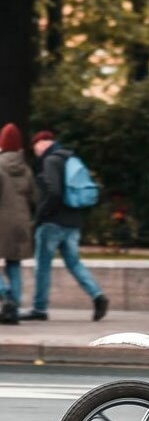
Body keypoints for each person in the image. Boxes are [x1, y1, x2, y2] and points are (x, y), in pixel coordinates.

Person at [20, 131, 108, 322]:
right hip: (72, 222)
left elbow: (53, 192)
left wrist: (40, 217)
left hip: (52, 223)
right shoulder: (70, 158)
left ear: (42, 142)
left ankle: (39, 309)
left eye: (35, 146)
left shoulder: (51, 161)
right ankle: (97, 295)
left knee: (42, 266)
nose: (35, 150)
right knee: (74, 263)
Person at [0, 123, 37, 324]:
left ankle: (5, 295)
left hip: (2, 222)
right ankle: (12, 310)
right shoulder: (26, 169)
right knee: (14, 264)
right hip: (21, 223)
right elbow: (34, 197)